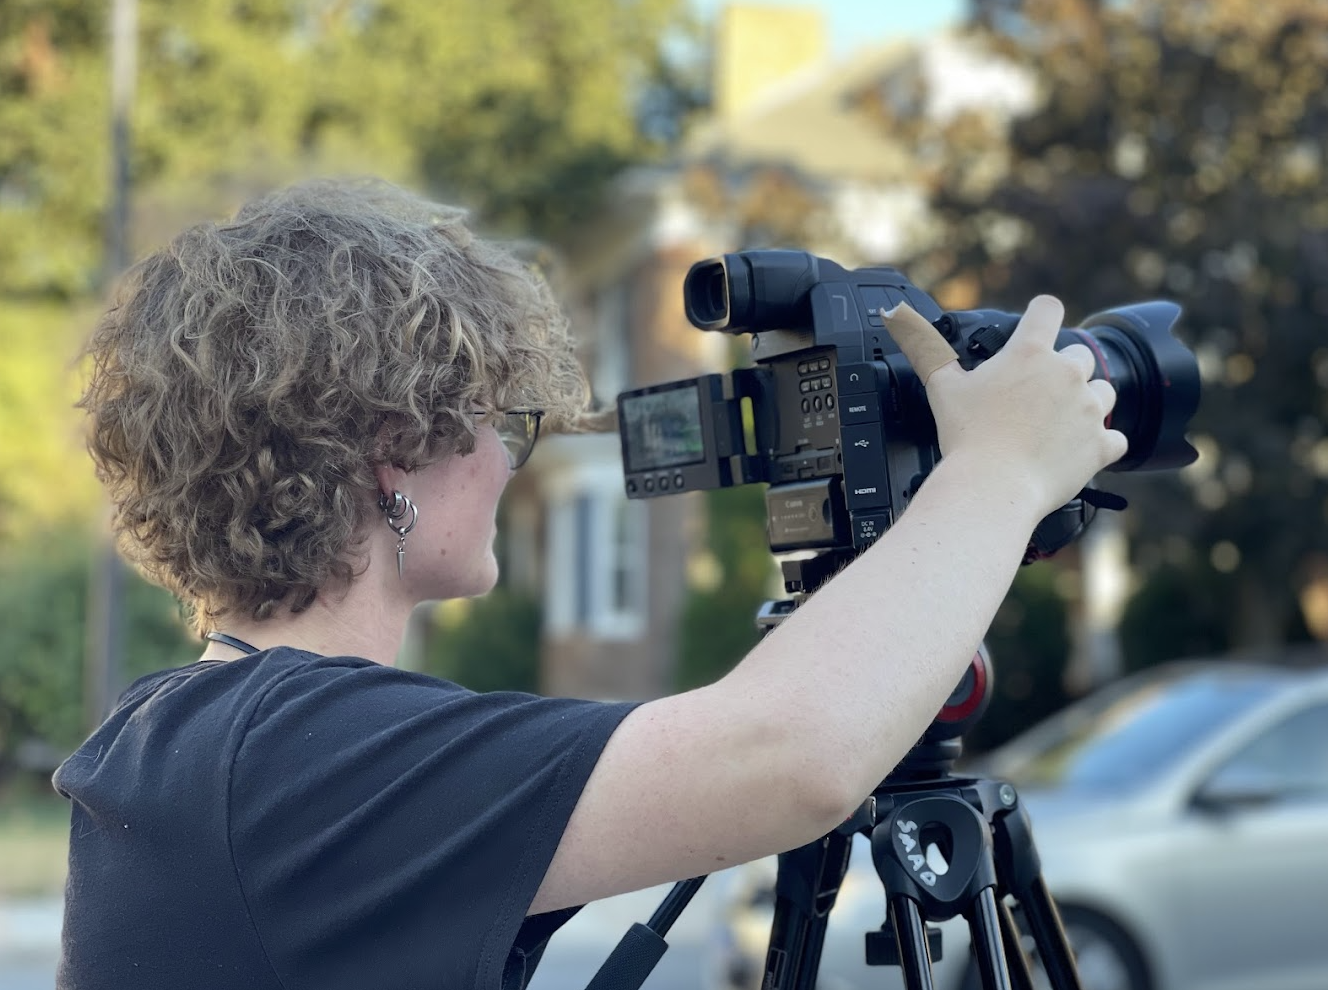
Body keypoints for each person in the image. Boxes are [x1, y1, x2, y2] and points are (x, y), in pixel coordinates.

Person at [53, 177, 1126, 990]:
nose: (509, 459)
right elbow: (792, 756)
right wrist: (1002, 469)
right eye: (498, 422)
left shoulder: (185, 738)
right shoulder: (300, 758)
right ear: (393, 448)